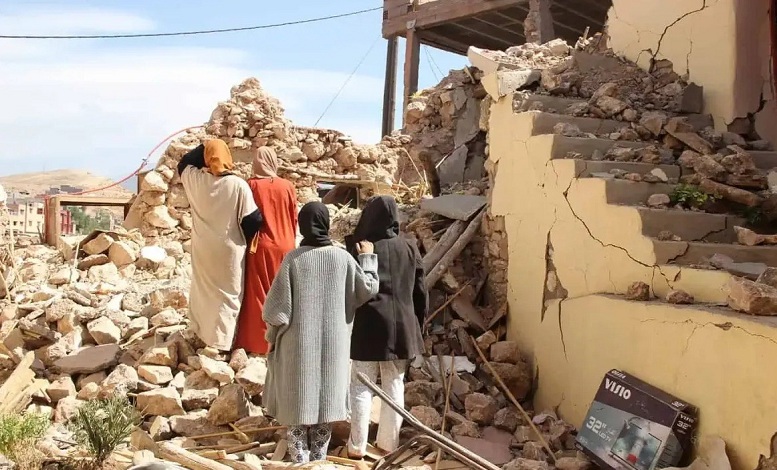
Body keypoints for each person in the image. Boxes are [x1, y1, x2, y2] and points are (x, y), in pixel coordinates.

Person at [262, 201, 379, 464]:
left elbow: (275, 311)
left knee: (296, 407)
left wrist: (272, 339)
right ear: (326, 224)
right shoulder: (343, 258)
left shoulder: (293, 259)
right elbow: (368, 288)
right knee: (325, 405)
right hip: (334, 347)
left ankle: (300, 463)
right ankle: (318, 461)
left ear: (302, 225)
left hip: (297, 347)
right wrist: (368, 259)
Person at [344, 196, 428, 458]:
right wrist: (418, 327)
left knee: (361, 385)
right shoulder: (410, 248)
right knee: (394, 384)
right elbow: (421, 292)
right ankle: (387, 445)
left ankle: (357, 446)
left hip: (368, 325)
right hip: (402, 327)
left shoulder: (360, 248)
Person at [177, 139, 263, 351]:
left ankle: (201, 332)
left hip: (202, 247)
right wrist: (246, 238)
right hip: (229, 248)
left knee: (203, 289)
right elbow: (253, 220)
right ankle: (221, 343)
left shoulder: (196, 180)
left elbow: (183, 163)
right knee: (228, 294)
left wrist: (204, 146)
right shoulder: (237, 185)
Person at [234, 147, 298, 355]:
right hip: (287, 244)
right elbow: (293, 216)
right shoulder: (288, 186)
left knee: (260, 294)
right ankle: (284, 341)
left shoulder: (251, 185)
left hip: (261, 246)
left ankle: (259, 343)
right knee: (284, 293)